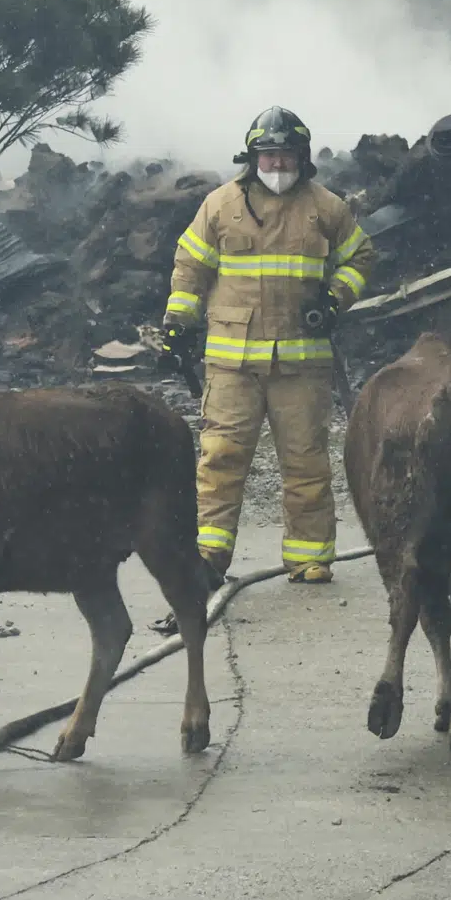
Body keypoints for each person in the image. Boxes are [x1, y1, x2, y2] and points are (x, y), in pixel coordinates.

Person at [161, 106, 375, 583]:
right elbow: (189, 269)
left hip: (301, 365)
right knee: (221, 460)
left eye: (285, 156)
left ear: (302, 157)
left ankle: (309, 558)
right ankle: (207, 560)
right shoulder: (220, 206)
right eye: (269, 155)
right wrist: (177, 324)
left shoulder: (327, 209)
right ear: (253, 157)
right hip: (232, 364)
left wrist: (335, 297)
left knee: (306, 462)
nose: (277, 166)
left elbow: (361, 256)